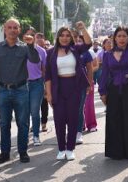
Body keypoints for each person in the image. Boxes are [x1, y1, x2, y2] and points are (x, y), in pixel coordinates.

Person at [0, 18, 40, 164]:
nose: (12, 30)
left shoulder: (24, 47)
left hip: (21, 90)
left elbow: (35, 60)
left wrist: (31, 45)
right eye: (9, 27)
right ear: (4, 29)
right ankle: (5, 152)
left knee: (22, 123)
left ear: (19, 30)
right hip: (3, 90)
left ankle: (23, 151)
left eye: (15, 27)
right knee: (4, 123)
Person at [98, 19, 128, 160]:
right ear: (114, 38)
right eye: (119, 36)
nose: (122, 39)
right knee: (114, 118)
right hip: (113, 88)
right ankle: (116, 152)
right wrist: (102, 92)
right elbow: (104, 74)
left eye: (124, 36)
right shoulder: (107, 55)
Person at [45, 22, 92, 161]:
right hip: (58, 87)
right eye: (62, 35)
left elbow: (88, 43)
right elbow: (47, 75)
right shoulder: (50, 53)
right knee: (59, 119)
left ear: (71, 37)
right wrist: (48, 93)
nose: (64, 38)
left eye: (67, 35)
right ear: (58, 37)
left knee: (72, 118)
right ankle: (61, 148)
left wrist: (83, 29)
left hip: (74, 86)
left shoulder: (75, 49)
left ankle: (70, 148)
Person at [25, 28, 47, 147]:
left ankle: (36, 136)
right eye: (27, 34)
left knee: (34, 111)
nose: (29, 36)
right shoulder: (20, 50)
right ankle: (24, 136)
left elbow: (44, 70)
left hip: (37, 84)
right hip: (22, 85)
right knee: (24, 112)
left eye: (32, 35)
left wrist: (45, 86)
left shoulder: (42, 51)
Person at [75, 35, 97, 145]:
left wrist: (89, 84)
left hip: (82, 85)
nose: (78, 42)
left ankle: (78, 132)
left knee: (79, 108)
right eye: (75, 39)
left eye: (80, 40)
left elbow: (90, 69)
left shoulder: (86, 52)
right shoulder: (67, 50)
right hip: (67, 85)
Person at [37, 33, 49, 132]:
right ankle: (35, 124)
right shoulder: (29, 50)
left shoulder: (47, 52)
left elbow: (47, 69)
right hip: (32, 82)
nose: (39, 40)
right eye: (38, 38)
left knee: (44, 104)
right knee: (34, 106)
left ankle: (44, 123)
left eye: (41, 38)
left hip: (44, 81)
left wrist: (47, 85)